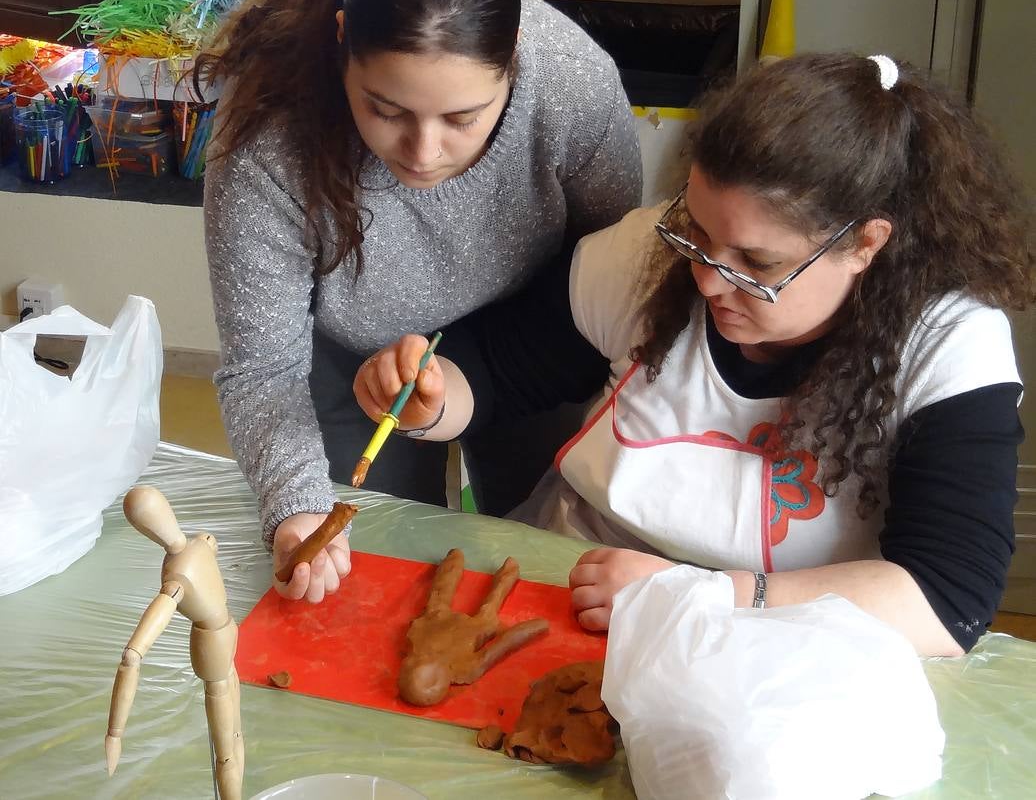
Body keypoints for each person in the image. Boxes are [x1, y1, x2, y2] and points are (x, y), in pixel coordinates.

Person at [355, 52, 1034, 656]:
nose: (708, 277)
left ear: (865, 245)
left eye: (756, 263)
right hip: (571, 587)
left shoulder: (947, 342)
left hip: (783, 637)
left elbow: (946, 602)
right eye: (698, 234)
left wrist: (698, 597)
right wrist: (433, 397)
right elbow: (499, 366)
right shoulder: (650, 257)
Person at [197, 0, 642, 603]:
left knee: (533, 562)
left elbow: (613, 278)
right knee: (373, 561)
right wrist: (295, 506)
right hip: (351, 365)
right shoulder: (267, 140)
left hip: (530, 347)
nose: (424, 153)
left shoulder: (574, 83)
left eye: (463, 118)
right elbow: (263, 367)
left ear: (515, 54)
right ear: (344, 41)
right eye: (387, 110)